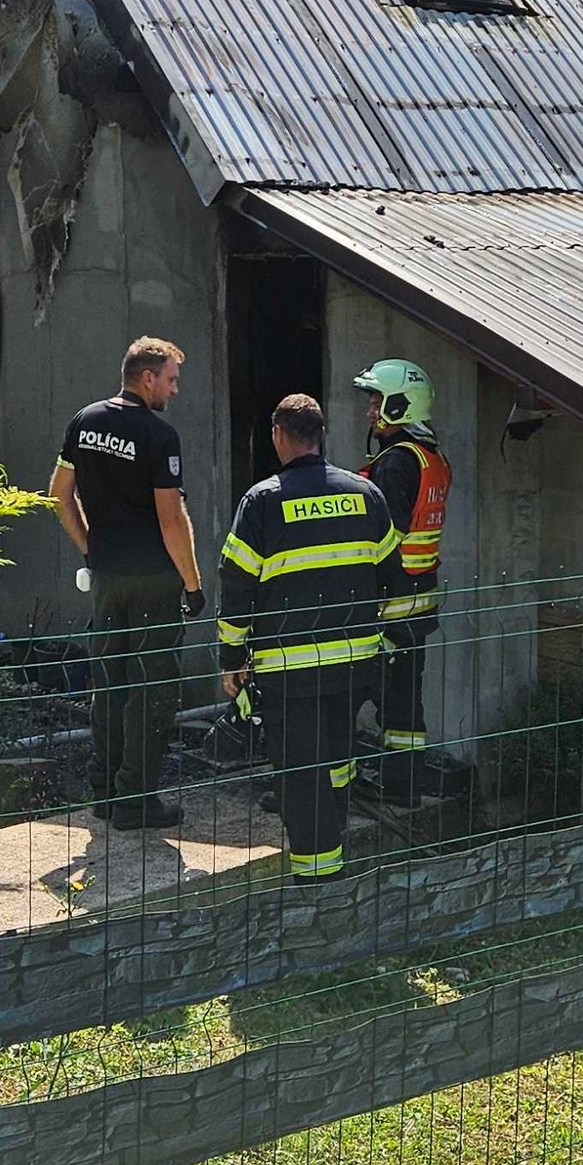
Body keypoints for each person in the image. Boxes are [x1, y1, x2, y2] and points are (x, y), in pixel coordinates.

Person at [215, 394, 402, 881]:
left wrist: (231, 657)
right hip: (357, 660)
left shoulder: (262, 501)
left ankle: (318, 879)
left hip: (289, 668)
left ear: (279, 435)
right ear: (321, 435)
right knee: (339, 756)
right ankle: (335, 837)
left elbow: (236, 588)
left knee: (300, 773)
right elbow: (393, 575)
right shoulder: (365, 493)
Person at [51, 337, 204, 830]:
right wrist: (193, 583)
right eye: (171, 379)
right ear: (147, 378)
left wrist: (90, 548)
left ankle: (104, 793)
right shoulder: (159, 436)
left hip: (107, 577)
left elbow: (58, 495)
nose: (174, 390)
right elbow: (170, 520)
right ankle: (136, 801)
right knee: (152, 689)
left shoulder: (85, 421)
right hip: (153, 582)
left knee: (109, 683)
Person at [352, 359, 452, 801]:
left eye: (377, 402)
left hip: (388, 606)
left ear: (400, 405)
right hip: (419, 602)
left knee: (349, 690)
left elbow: (385, 536)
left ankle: (328, 780)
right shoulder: (432, 458)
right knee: (404, 704)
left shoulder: (396, 464)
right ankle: (404, 783)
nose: (370, 412)